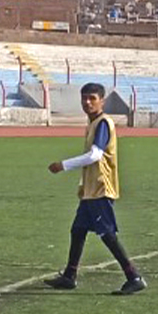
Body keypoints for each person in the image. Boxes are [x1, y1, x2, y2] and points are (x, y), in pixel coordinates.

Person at [43, 83, 147, 295]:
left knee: (107, 234)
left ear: (102, 100)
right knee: (78, 230)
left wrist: (63, 165)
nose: (87, 102)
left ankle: (134, 276)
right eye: (84, 98)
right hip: (91, 190)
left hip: (101, 188)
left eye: (92, 98)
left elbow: (95, 155)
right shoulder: (92, 124)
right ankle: (69, 276)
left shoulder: (102, 123)